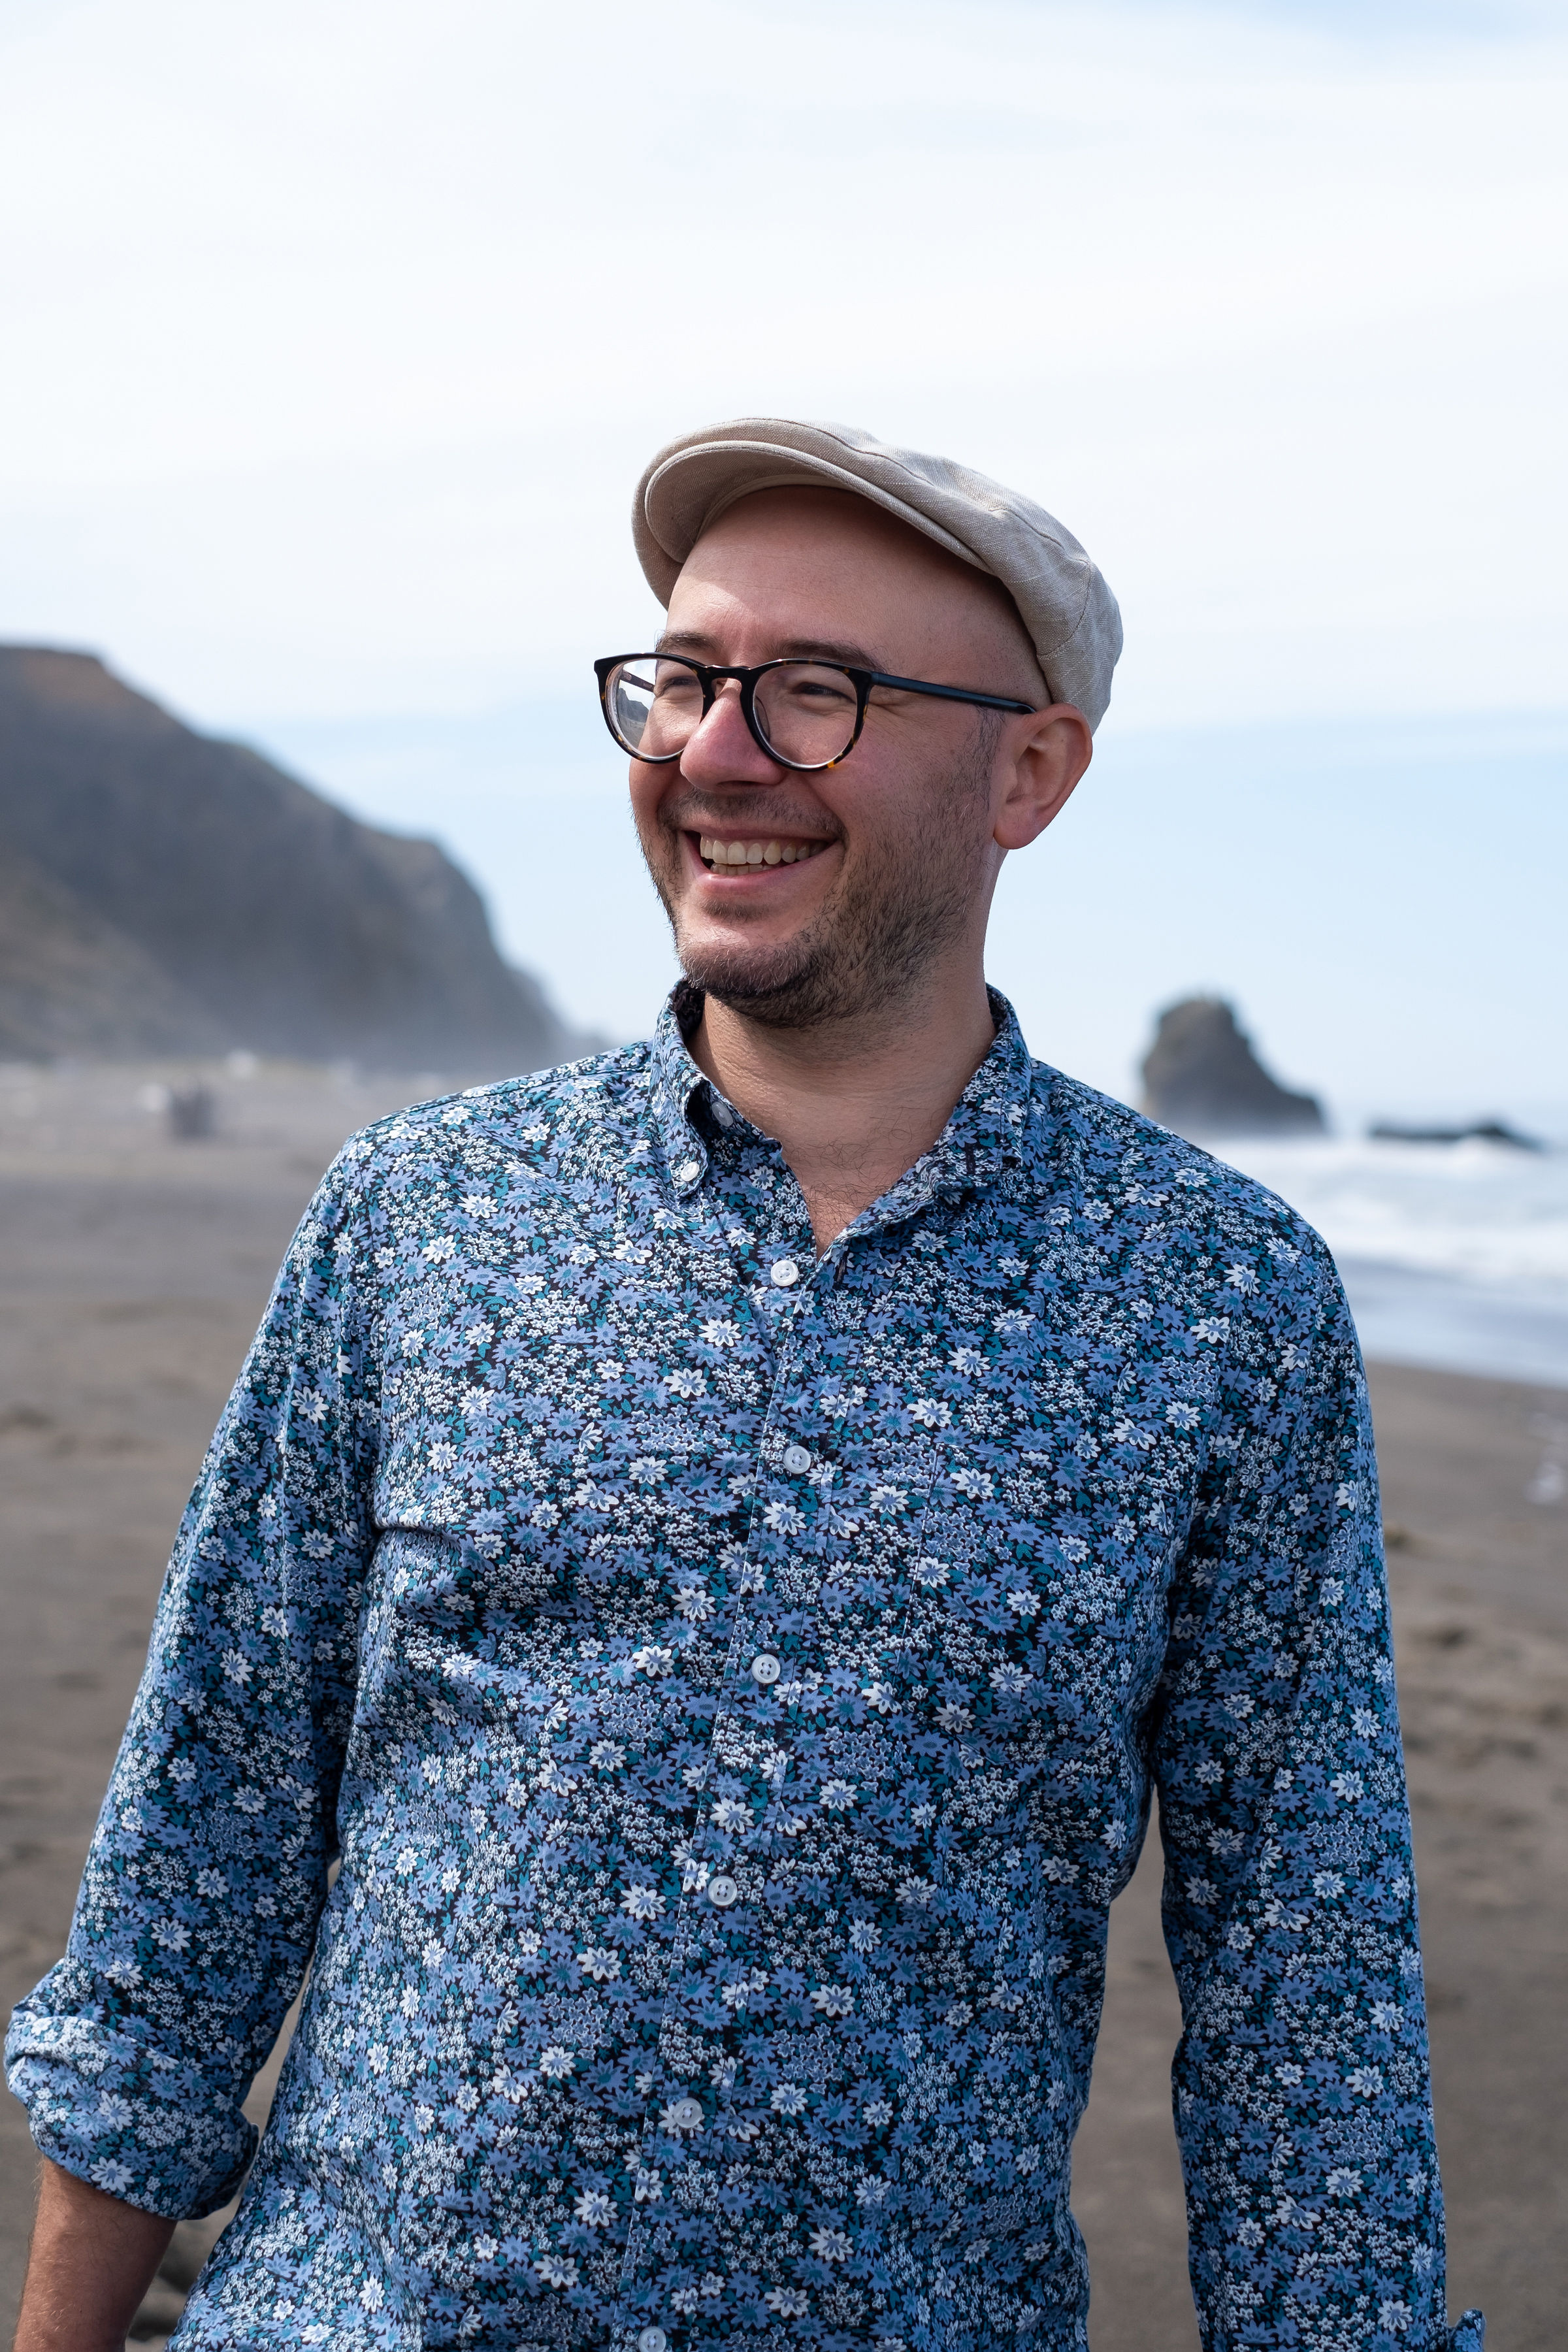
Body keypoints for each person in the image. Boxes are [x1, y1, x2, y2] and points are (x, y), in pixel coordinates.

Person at [7, 418, 1483, 2352]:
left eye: (816, 692)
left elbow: (1309, 2003)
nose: (712, 752)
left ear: (1030, 771)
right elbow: (196, 1860)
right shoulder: (423, 1216)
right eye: (687, 679)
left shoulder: (1218, 1303)